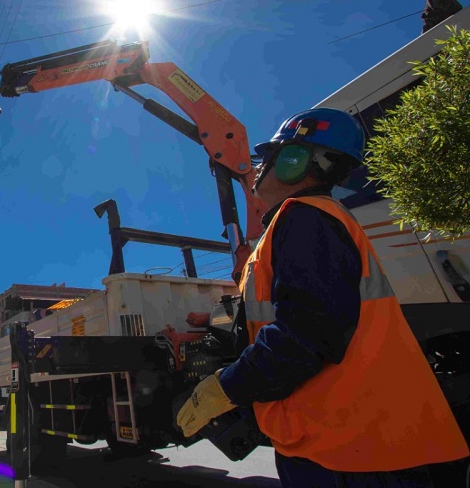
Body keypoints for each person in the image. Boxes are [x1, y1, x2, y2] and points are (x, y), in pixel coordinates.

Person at [175, 108, 469, 486]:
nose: (259, 168)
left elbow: (307, 332)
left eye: (271, 156)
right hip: (347, 440)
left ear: (295, 161)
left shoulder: (305, 219)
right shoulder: (310, 221)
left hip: (347, 449)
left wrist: (227, 387)